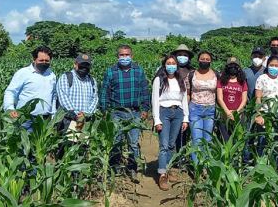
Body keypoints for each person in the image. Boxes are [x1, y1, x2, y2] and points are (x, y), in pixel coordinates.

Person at [100, 45, 150, 183]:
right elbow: (104, 93)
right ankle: (114, 169)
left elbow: (144, 91)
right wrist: (104, 111)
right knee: (115, 141)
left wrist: (145, 108)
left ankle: (133, 169)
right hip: (116, 113)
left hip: (134, 112)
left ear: (132, 56)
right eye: (121, 55)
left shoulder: (138, 71)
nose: (124, 57)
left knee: (133, 143)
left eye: (127, 55)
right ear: (117, 56)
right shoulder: (111, 72)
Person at [152, 55, 189, 191]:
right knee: (164, 144)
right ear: (164, 65)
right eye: (169, 63)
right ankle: (162, 174)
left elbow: (184, 99)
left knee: (172, 144)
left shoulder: (181, 80)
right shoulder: (159, 80)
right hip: (164, 112)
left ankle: (168, 169)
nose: (171, 65)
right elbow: (155, 100)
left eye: (174, 63)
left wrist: (185, 118)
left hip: (178, 112)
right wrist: (156, 119)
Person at [4, 46, 57, 130]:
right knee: (23, 142)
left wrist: (54, 115)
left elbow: (53, 96)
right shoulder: (23, 73)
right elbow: (10, 92)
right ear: (34, 59)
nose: (44, 63)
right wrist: (9, 108)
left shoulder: (51, 75)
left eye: (47, 61)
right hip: (25, 119)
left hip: (45, 120)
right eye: (41, 60)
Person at [56, 53, 99, 159]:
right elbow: (63, 99)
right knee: (65, 152)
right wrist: (77, 114)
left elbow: (95, 98)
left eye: (87, 66)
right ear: (75, 64)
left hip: (85, 121)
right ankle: (63, 175)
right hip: (68, 121)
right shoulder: (66, 77)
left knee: (81, 150)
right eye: (82, 65)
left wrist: (85, 114)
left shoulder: (92, 80)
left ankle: (77, 175)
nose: (84, 68)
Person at [187, 51, 219, 165]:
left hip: (210, 110)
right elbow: (188, 93)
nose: (204, 61)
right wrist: (186, 111)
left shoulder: (216, 74)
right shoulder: (191, 75)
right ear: (198, 60)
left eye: (207, 59)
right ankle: (198, 167)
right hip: (195, 109)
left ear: (210, 61)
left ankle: (206, 166)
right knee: (197, 140)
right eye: (202, 59)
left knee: (207, 140)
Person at [254, 56, 278, 156]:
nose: (274, 67)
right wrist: (259, 115)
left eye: (276, 65)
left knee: (276, 141)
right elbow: (258, 98)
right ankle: (262, 165)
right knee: (264, 141)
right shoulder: (262, 78)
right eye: (271, 65)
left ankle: (275, 166)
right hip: (265, 113)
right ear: (267, 66)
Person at [170, 44, 196, 157]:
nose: (182, 57)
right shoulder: (166, 70)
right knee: (168, 134)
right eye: (179, 55)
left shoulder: (192, 72)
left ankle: (181, 158)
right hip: (168, 107)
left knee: (182, 134)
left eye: (185, 55)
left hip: (186, 107)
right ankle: (168, 158)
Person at [217, 57, 248, 142]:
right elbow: (220, 99)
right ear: (227, 67)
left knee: (238, 142)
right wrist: (228, 113)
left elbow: (244, 100)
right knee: (226, 141)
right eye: (230, 65)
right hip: (225, 116)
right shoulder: (221, 81)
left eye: (235, 66)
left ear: (239, 68)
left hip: (238, 116)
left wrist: (236, 113)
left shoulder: (242, 82)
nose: (233, 67)